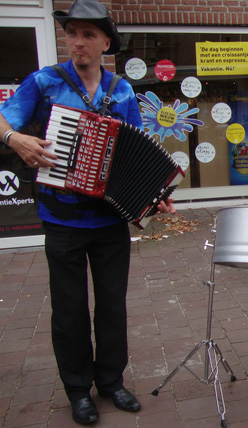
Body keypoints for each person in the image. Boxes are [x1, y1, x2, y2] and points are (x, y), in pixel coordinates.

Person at [0, 0, 175, 424]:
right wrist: (14, 139)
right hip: (61, 219)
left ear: (105, 43)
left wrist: (153, 195)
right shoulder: (45, 82)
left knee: (113, 305)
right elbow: (3, 120)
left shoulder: (123, 91)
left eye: (88, 35)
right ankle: (78, 390)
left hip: (110, 218)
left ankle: (111, 382)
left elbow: (138, 150)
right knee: (70, 308)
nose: (77, 41)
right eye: (72, 33)